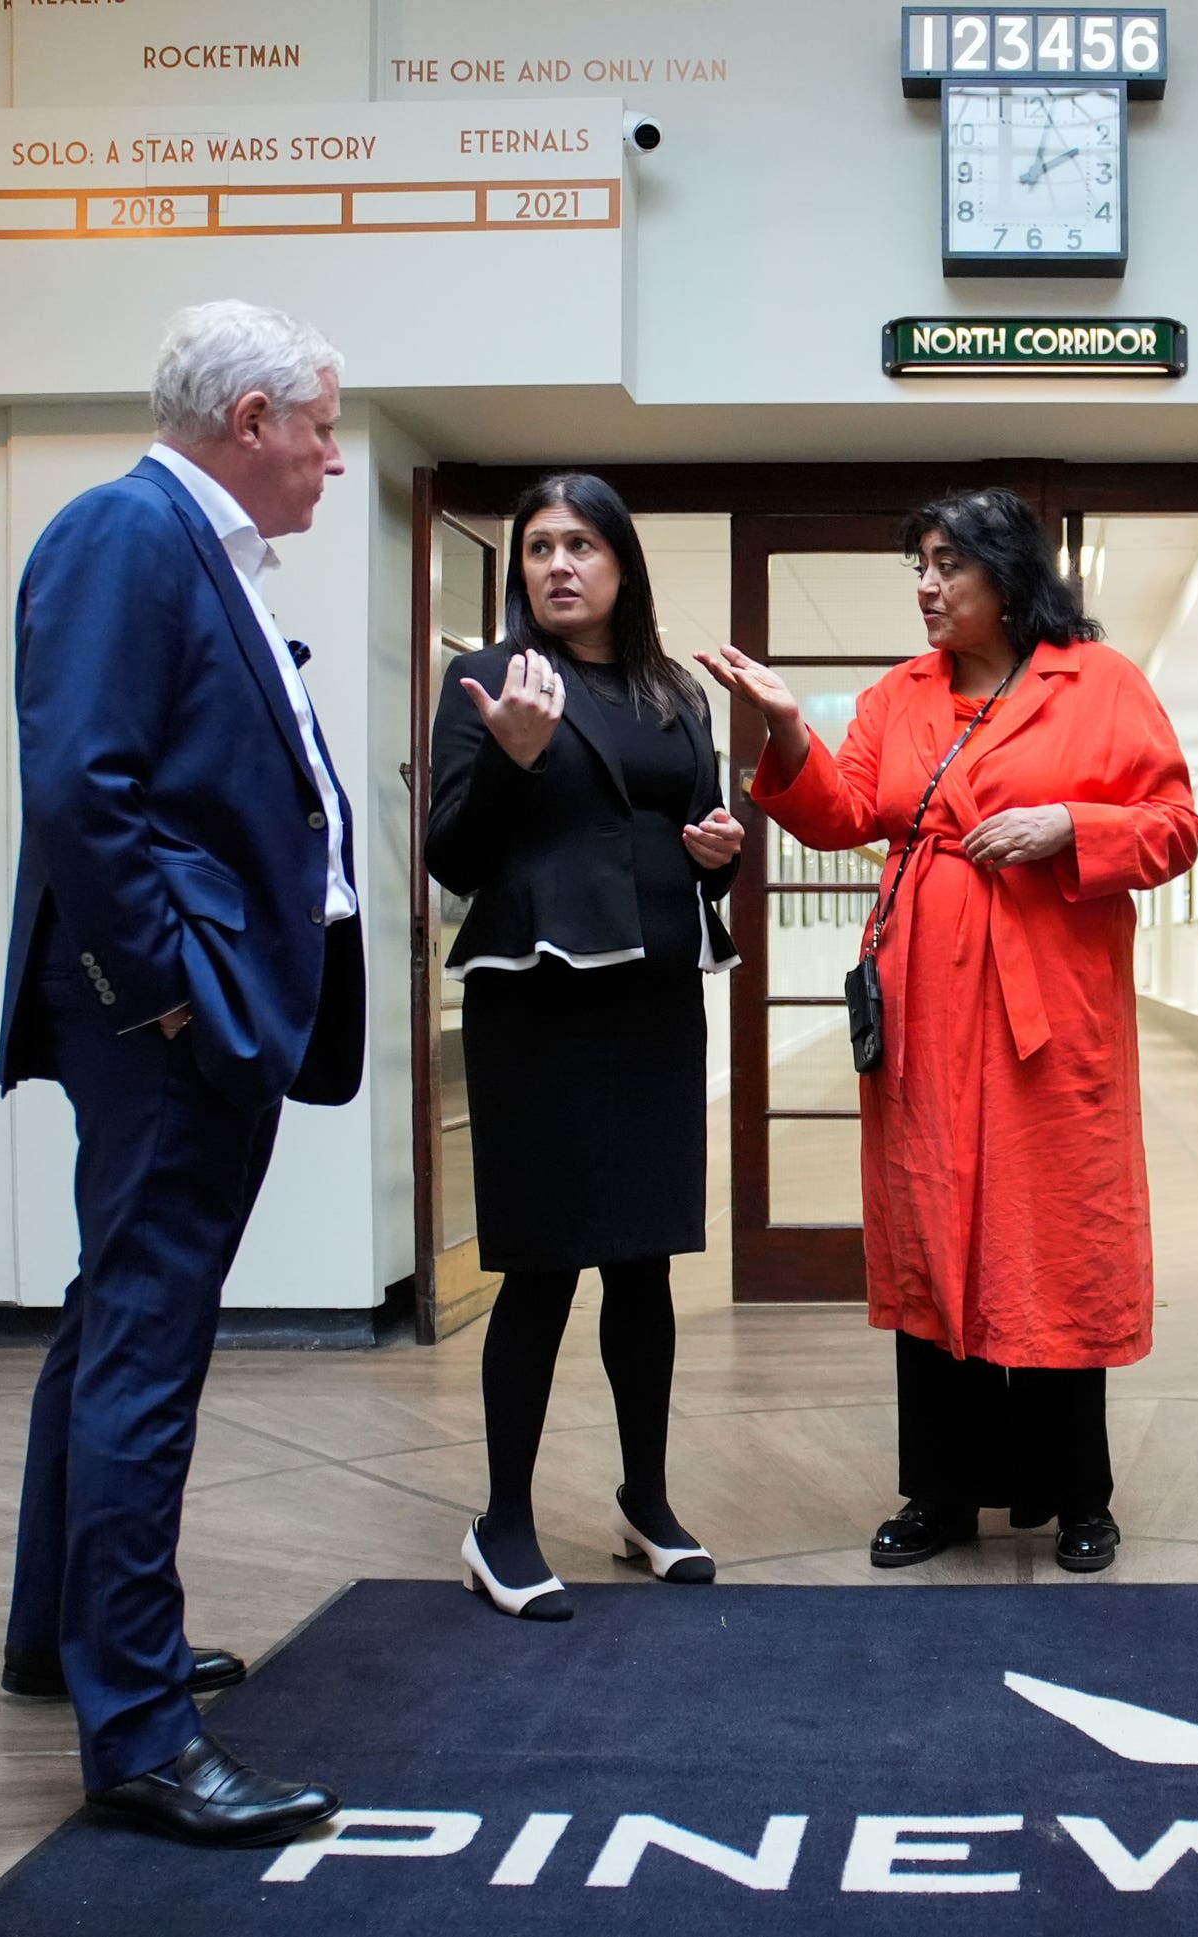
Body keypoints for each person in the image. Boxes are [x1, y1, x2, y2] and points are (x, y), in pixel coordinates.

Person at [0, 300, 362, 1844]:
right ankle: (141, 1727)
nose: (336, 460)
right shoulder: (124, 532)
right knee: (149, 1343)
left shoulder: (203, 550)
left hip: (197, 1016)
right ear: (255, 418)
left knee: (112, 1322)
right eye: (325, 429)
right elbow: (82, 786)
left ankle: (60, 1642)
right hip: (168, 1029)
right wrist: (168, 999)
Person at [697, 488, 1198, 1574]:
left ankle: (1076, 1494)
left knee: (1054, 1242)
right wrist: (787, 725)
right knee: (934, 1235)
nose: (925, 587)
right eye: (917, 566)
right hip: (925, 1009)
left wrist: (1071, 822)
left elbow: (1174, 826)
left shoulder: (1098, 683)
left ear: (1008, 576)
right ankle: (939, 1489)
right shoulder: (900, 695)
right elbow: (841, 816)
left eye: (944, 566)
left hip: (1049, 1016)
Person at [426, 473, 745, 1619]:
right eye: (538, 546)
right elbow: (453, 859)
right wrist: (511, 755)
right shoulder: (483, 682)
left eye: (581, 544)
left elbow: (700, 824)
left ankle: (644, 1501)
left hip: (654, 998)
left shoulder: (671, 693)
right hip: (540, 1006)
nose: (557, 564)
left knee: (643, 1264)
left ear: (621, 563)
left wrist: (722, 850)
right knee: (542, 1267)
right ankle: (500, 1522)